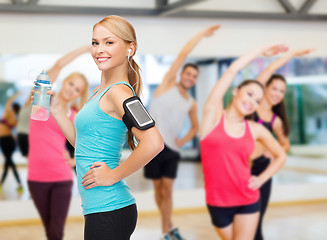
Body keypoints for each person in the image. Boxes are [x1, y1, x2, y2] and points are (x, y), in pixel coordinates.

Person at [46, 15, 164, 240]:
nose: (99, 49)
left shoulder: (120, 93)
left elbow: (154, 142)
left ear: (130, 48)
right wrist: (57, 110)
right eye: (95, 42)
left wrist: (113, 175)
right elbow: (82, 144)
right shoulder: (99, 92)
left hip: (110, 210)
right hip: (100, 210)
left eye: (109, 42)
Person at [200, 45, 287, 240]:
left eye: (257, 101)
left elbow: (281, 155)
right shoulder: (213, 118)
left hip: (248, 198)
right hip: (218, 202)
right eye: (249, 94)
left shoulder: (255, 129)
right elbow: (231, 71)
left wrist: (262, 179)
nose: (252, 102)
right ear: (236, 91)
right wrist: (260, 51)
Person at [144, 24, 220, 240]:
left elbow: (196, 127)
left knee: (167, 189)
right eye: (188, 73)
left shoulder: (191, 103)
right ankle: (167, 225)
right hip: (151, 145)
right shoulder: (166, 85)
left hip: (172, 149)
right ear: (181, 75)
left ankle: (167, 228)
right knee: (159, 190)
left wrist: (183, 139)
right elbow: (184, 53)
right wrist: (201, 35)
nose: (191, 78)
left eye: (194, 76)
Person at [250, 48, 314, 240]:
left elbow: (285, 145)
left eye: (282, 91)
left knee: (256, 221)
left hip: (262, 171)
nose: (277, 93)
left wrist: (272, 152)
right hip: (241, 167)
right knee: (241, 220)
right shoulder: (252, 104)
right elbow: (267, 70)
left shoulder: (276, 121)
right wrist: (291, 55)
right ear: (266, 87)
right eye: (274, 88)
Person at [28, 45, 90, 240]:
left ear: (80, 94)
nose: (72, 90)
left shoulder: (74, 115)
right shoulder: (41, 99)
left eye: (78, 89)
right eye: (71, 84)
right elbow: (59, 64)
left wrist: (72, 161)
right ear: (64, 82)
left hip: (61, 178)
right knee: (49, 229)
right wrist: (87, 49)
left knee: (56, 232)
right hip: (36, 177)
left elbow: (85, 146)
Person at [0, 92, 23, 192]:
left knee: (8, 162)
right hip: (6, 140)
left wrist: (15, 95)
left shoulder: (9, 115)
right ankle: (19, 183)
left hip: (7, 141)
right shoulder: (14, 118)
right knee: (9, 162)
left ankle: (2, 183)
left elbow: (8, 103)